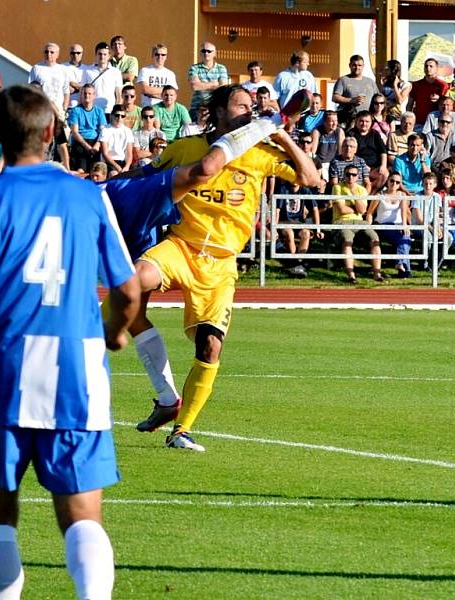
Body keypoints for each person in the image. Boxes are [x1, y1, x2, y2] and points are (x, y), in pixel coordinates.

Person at [0, 84, 140, 600]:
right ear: (52, 133)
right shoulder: (89, 195)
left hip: (1, 366)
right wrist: (114, 331)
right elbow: (127, 289)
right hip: (76, 368)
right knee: (81, 512)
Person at [125, 86, 318, 450]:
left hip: (222, 261)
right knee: (133, 283)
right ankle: (166, 396)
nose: (249, 110)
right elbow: (143, 176)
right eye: (240, 104)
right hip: (181, 245)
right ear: (217, 111)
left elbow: (310, 178)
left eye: (252, 106)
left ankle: (181, 429)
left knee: (210, 346)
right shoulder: (185, 148)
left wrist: (281, 134)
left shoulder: (261, 151)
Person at [332, 165, 383, 283]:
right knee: (347, 241)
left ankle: (377, 274)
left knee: (375, 239)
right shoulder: (337, 187)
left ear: (357, 176)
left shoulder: (361, 190)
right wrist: (356, 208)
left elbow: (362, 211)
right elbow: (342, 210)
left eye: (353, 175)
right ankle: (351, 275)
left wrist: (354, 194)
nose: (350, 177)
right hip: (342, 221)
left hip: (360, 221)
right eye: (348, 174)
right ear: (343, 175)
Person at [366, 172, 412, 277]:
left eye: (397, 182)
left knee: (406, 238)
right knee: (403, 238)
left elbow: (404, 212)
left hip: (398, 225)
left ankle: (402, 268)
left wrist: (405, 225)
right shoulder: (379, 195)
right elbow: (370, 213)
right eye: (392, 181)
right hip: (383, 225)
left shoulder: (402, 195)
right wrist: (368, 228)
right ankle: (405, 268)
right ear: (388, 181)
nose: (394, 184)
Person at [67, 83, 106, 174]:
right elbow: (75, 132)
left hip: (96, 141)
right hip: (81, 142)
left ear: (94, 96)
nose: (86, 96)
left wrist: (97, 145)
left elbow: (103, 131)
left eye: (89, 93)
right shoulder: (75, 110)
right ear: (81, 95)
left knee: (97, 171)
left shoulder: (99, 111)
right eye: (84, 93)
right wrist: (87, 147)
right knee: (81, 170)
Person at [333, 55, 378, 129]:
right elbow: (335, 97)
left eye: (360, 65)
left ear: (363, 66)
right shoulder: (343, 80)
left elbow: (377, 98)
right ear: (350, 65)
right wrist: (351, 100)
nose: (357, 67)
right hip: (348, 120)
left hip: (367, 121)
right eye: (354, 65)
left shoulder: (370, 82)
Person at [349, 111, 389, 190]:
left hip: (374, 167)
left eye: (367, 121)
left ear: (371, 123)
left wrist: (383, 166)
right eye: (361, 121)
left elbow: (383, 151)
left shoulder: (375, 133)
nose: (364, 124)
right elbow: (350, 152)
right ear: (356, 121)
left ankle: (371, 194)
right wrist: (364, 166)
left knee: (385, 174)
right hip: (358, 166)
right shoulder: (351, 134)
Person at [188, 41, 229, 117]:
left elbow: (223, 88)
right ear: (200, 53)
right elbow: (195, 86)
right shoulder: (194, 68)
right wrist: (214, 84)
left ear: (214, 53)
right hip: (197, 108)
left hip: (215, 107)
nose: (206, 53)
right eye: (203, 51)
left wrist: (202, 84)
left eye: (209, 51)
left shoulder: (221, 68)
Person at [28, 42, 69, 115]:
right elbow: (31, 90)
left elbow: (66, 92)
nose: (48, 54)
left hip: (59, 111)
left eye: (52, 52)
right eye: (46, 52)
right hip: (42, 110)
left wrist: (64, 110)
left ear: (57, 55)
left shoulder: (63, 70)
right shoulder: (36, 68)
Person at [82, 42, 123, 114]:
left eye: (105, 54)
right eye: (100, 54)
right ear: (96, 55)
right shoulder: (87, 71)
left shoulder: (116, 72)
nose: (102, 57)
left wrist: (116, 111)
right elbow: (82, 92)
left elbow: (119, 95)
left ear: (109, 55)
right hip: (92, 111)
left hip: (109, 111)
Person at [407, 58, 449, 127]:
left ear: (437, 69)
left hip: (436, 123)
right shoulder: (416, 85)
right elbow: (409, 104)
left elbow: (446, 105)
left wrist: (439, 99)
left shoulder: (443, 85)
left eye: (431, 66)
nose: (428, 68)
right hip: (419, 122)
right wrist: (409, 119)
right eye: (426, 66)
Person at [99, 107, 134, 176]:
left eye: (122, 116)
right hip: (109, 162)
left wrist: (127, 166)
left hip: (123, 162)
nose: (119, 118)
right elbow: (105, 153)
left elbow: (129, 153)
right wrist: (117, 167)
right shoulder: (105, 130)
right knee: (114, 175)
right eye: (117, 115)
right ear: (112, 115)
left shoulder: (128, 131)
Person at [63, 44, 85, 108]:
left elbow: (89, 87)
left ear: (82, 54)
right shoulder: (62, 67)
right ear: (70, 54)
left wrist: (73, 84)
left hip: (84, 106)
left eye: (78, 53)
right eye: (73, 53)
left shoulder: (87, 69)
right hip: (68, 106)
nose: (75, 55)